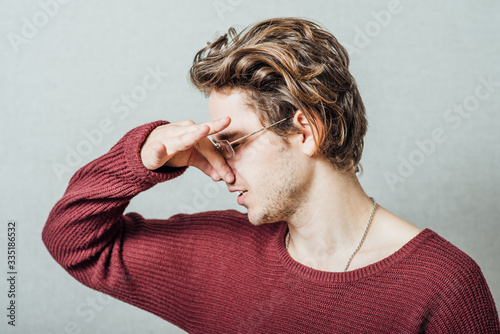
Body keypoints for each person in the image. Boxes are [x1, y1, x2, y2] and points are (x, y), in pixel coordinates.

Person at [42, 17, 500, 333]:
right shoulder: (218, 255)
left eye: (234, 143)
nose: (220, 170)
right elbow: (74, 242)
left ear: (305, 131)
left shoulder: (444, 285)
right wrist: (142, 155)